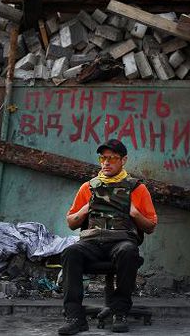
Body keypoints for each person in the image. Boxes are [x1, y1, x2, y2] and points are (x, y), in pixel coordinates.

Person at [59, 139, 157, 335]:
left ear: (123, 160)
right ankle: (75, 317)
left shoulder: (136, 188)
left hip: (120, 242)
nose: (106, 162)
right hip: (92, 243)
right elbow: (71, 223)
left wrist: (135, 213)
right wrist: (85, 209)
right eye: (103, 158)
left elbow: (151, 227)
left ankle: (120, 312)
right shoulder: (88, 187)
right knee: (70, 252)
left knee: (128, 251)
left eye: (112, 158)